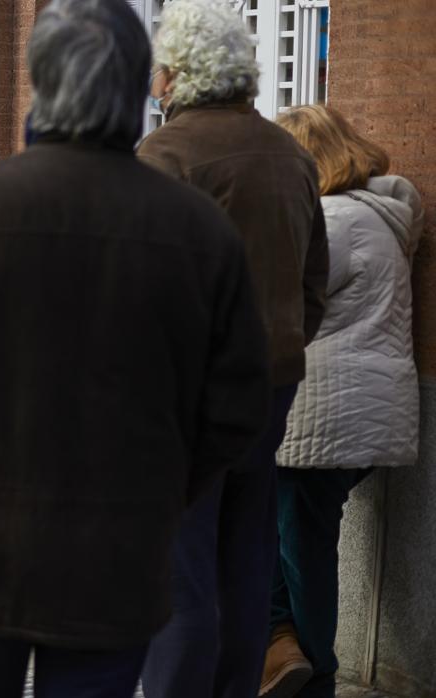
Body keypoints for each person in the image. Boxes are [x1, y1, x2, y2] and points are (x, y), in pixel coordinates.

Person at [0, 0, 271, 694]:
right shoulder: (194, 229)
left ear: (37, 80)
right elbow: (232, 406)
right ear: (140, 83)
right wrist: (160, 493)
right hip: (113, 553)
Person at [138, 2, 330, 696]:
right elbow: (315, 282)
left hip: (184, 396)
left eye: (159, 67)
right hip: (269, 383)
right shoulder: (291, 154)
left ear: (180, 72)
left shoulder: (164, 155)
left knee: (179, 564)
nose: (153, 81)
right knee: (245, 559)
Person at [260, 106, 423, 698]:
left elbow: (275, 302)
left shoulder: (331, 220)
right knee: (284, 535)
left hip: (323, 414)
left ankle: (314, 675)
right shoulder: (377, 216)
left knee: (302, 547)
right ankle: (280, 649)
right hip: (362, 413)